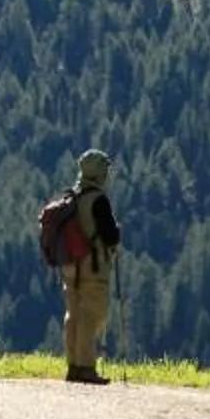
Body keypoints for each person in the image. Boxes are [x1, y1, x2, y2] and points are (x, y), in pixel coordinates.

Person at [61, 147, 122, 385]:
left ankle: (74, 365)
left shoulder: (73, 197)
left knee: (73, 315)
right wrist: (117, 232)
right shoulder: (98, 200)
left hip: (70, 267)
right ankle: (87, 367)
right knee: (92, 315)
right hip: (93, 268)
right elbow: (110, 236)